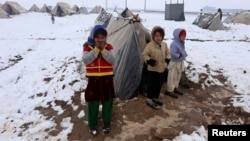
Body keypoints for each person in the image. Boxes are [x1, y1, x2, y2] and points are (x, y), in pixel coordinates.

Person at [82, 25, 116, 136]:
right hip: (93, 80)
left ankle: (106, 124)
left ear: (105, 38)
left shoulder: (109, 47)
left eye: (102, 37)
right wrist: (96, 49)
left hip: (107, 80)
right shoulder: (87, 47)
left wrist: (103, 50)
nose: (100, 40)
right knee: (93, 104)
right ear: (94, 37)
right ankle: (93, 125)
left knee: (107, 103)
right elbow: (86, 60)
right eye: (98, 37)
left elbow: (113, 60)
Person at [142, 26, 171, 109]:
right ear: (153, 36)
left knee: (159, 85)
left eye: (160, 36)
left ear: (162, 36)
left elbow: (168, 53)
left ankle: (155, 97)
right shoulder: (150, 45)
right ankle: (149, 99)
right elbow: (144, 54)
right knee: (151, 85)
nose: (158, 37)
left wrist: (167, 61)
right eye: (156, 36)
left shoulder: (164, 45)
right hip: (152, 70)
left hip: (161, 69)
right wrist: (149, 61)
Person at [165, 28, 187, 98]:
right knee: (172, 77)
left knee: (178, 76)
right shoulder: (174, 44)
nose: (183, 37)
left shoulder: (181, 43)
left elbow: (182, 50)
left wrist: (184, 54)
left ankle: (175, 88)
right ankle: (169, 90)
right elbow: (172, 53)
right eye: (182, 36)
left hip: (180, 62)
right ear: (177, 36)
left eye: (184, 36)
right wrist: (179, 55)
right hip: (174, 63)